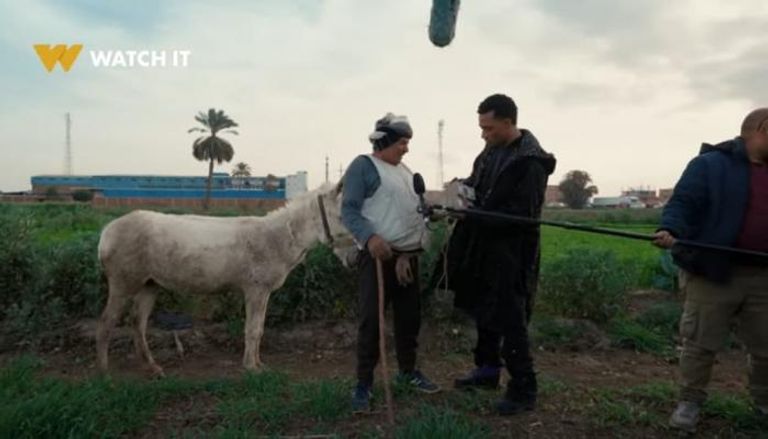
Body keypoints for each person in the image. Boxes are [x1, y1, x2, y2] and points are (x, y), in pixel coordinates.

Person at [437, 94, 556, 415]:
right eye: (481, 128)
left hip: (513, 253)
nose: (483, 134)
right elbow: (476, 185)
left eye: (488, 128)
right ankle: (487, 371)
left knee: (511, 318)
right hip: (483, 247)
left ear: (507, 122)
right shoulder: (489, 153)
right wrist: (459, 192)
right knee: (482, 309)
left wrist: (473, 215)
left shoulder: (530, 164)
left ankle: (523, 388)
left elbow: (520, 216)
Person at [654, 108, 768, 433]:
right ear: (763, 129)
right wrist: (670, 228)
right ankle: (689, 403)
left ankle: (764, 402)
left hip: (764, 275)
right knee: (700, 343)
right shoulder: (710, 165)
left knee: (766, 347)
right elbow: (683, 203)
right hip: (714, 271)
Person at [341, 112, 441, 414]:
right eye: (401, 143)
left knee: (409, 318)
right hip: (378, 258)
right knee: (372, 321)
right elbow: (349, 210)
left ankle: (408, 372)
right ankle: (364, 384)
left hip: (406, 259)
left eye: (408, 142)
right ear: (383, 142)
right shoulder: (364, 167)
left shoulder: (406, 172)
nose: (406, 148)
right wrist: (371, 239)